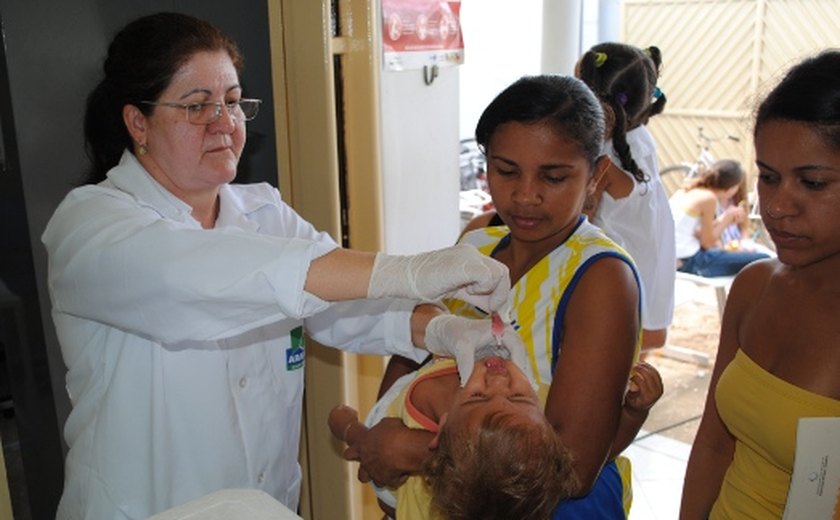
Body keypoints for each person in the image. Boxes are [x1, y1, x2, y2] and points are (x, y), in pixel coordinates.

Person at [40, 13, 514, 520]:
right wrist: (411, 270)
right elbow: (196, 279)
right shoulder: (90, 224)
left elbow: (345, 305)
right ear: (138, 122)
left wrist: (443, 329)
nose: (225, 123)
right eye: (198, 106)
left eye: (232, 102)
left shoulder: (264, 214)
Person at [339, 75, 647, 519]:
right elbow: (419, 347)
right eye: (505, 171)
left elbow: (574, 470)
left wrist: (410, 450)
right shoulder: (479, 239)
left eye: (554, 176)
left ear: (596, 174)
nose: (525, 196)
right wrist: (378, 432)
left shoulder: (600, 277)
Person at [680, 50, 840, 519]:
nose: (776, 207)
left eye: (812, 183)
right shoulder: (755, 286)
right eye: (768, 178)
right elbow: (713, 442)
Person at [329, 354, 662, 520]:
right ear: (551, 430)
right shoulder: (530, 428)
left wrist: (346, 424)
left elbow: (368, 447)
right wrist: (633, 413)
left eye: (477, 397)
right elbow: (601, 451)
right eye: (520, 398)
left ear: (440, 430)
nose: (499, 382)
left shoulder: (401, 434)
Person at [575, 42, 675, 351]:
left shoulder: (603, 159)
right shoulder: (639, 139)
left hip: (617, 278)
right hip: (646, 262)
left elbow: (577, 227)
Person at [669, 158, 771, 277]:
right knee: (764, 259)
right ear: (732, 187)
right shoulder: (708, 198)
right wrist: (726, 220)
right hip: (689, 261)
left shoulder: (687, 191)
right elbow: (707, 243)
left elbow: (696, 232)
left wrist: (722, 219)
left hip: (673, 256)